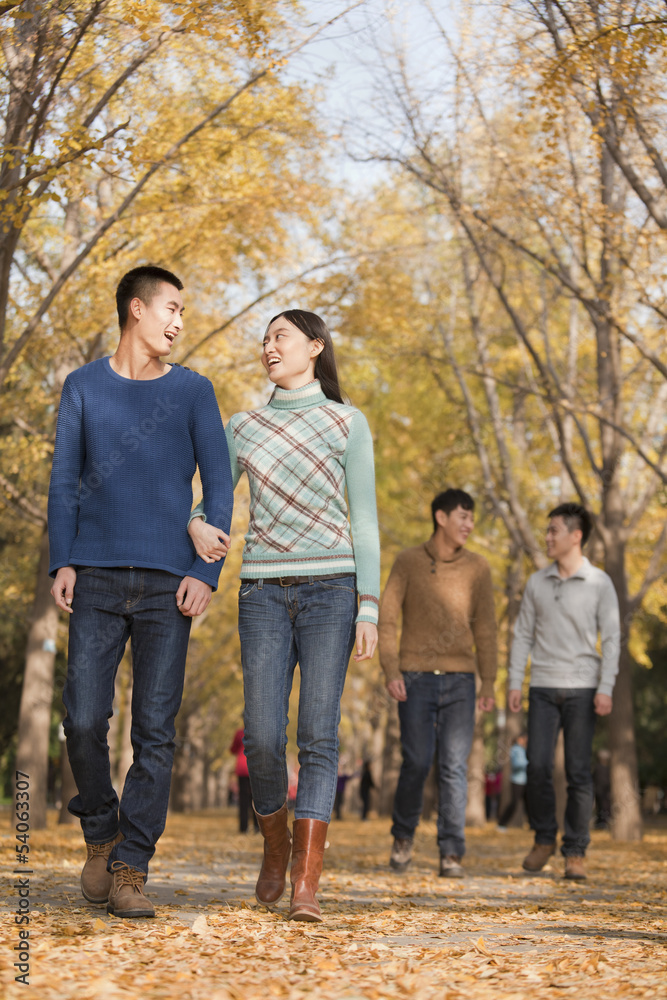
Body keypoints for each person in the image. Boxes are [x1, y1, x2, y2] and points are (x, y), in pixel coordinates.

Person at [48, 265, 234, 919]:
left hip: (167, 586)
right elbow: (63, 482)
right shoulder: (83, 388)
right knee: (83, 721)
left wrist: (202, 571)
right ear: (136, 309)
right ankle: (101, 832)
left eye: (182, 311)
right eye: (171, 308)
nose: (179, 322)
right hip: (94, 577)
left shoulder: (193, 392)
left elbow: (219, 483)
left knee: (155, 733)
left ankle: (131, 867)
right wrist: (60, 562)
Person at [188, 308, 380, 922]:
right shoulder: (242, 426)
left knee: (320, 735)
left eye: (282, 337)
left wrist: (369, 603)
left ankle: (306, 881)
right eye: (266, 338)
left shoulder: (347, 423)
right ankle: (276, 841)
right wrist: (195, 522)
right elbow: (211, 499)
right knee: (265, 738)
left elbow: (366, 519)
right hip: (263, 593)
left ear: (315, 348)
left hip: (333, 590)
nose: (270, 346)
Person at [379, 488, 498, 877]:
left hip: (462, 681)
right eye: (463, 516)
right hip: (414, 679)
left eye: (472, 518)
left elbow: (488, 628)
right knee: (415, 761)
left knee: (453, 766)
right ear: (441, 517)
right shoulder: (408, 561)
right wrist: (391, 670)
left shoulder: (478, 568)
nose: (469, 524)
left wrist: (489, 681)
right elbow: (388, 618)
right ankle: (403, 838)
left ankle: (451, 851)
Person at [508, 502, 620, 880]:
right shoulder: (537, 582)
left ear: (576, 536)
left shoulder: (599, 582)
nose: (547, 536)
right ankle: (543, 839)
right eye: (547, 530)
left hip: (583, 688)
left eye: (554, 530)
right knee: (536, 765)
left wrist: (605, 687)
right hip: (541, 685)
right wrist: (513, 682)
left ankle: (575, 851)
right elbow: (522, 633)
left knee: (577, 771)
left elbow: (613, 638)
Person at [230, 728, 258, 833]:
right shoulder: (258, 731)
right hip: (255, 767)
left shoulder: (239, 733)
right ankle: (257, 826)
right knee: (255, 798)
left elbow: (233, 749)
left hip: (242, 768)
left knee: (243, 799)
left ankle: (243, 827)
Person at [497, 734, 527, 830]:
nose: (525, 740)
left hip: (526, 780)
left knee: (530, 803)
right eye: (524, 738)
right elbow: (516, 764)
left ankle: (534, 825)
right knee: (514, 803)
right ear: (519, 739)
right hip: (517, 780)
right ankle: (501, 824)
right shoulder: (515, 749)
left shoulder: (523, 749)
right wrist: (529, 762)